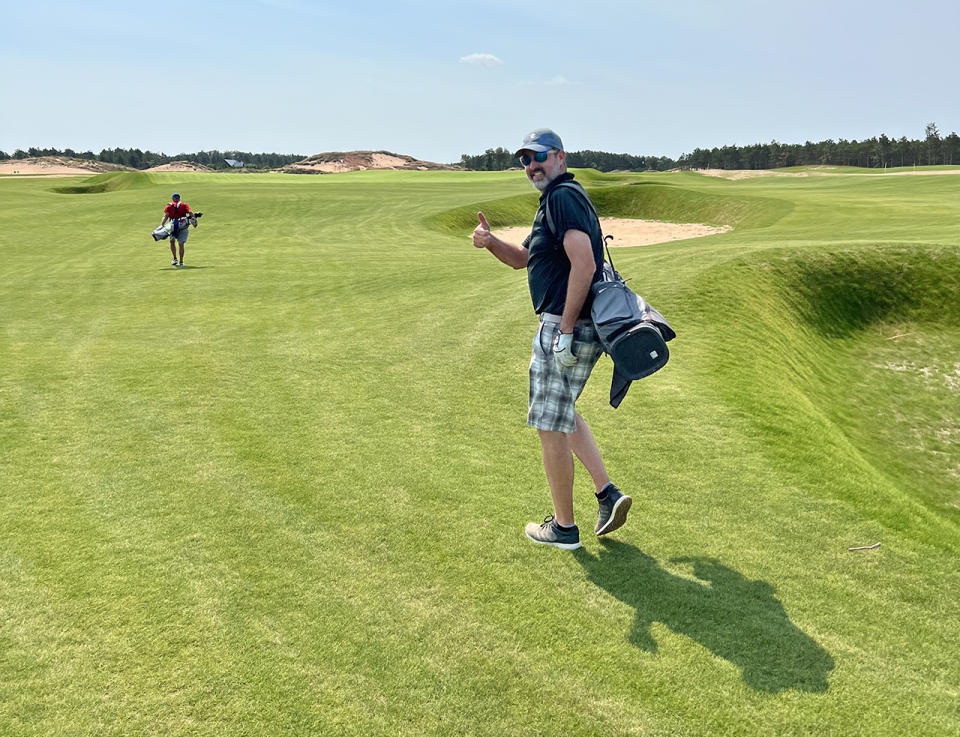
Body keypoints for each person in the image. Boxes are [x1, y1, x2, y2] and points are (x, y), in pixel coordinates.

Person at [471, 128, 631, 551]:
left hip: (566, 325)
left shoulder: (563, 197)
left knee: (548, 424)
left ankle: (563, 528)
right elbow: (523, 260)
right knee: (562, 412)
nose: (531, 166)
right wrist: (489, 243)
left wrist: (562, 330)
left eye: (538, 156)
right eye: (525, 160)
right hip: (569, 324)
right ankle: (607, 494)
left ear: (560, 156)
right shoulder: (554, 202)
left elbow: (584, 262)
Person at [160, 193, 191, 267]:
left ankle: (175, 259)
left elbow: (166, 216)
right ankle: (181, 262)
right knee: (181, 244)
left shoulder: (169, 206)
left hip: (172, 227)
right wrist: (194, 220)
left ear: (173, 199)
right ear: (179, 198)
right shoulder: (184, 205)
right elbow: (190, 212)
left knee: (172, 242)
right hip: (183, 226)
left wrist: (162, 225)